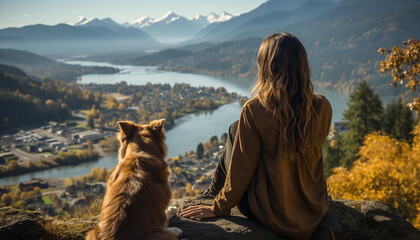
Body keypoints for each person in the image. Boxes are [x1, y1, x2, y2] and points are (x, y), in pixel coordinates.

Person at [180, 32, 332, 239]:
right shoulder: (322, 106)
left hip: (272, 213)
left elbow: (242, 169)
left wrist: (218, 208)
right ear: (303, 66)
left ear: (267, 67)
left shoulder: (255, 110)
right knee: (236, 127)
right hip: (313, 206)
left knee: (235, 130)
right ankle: (215, 189)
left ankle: (213, 192)